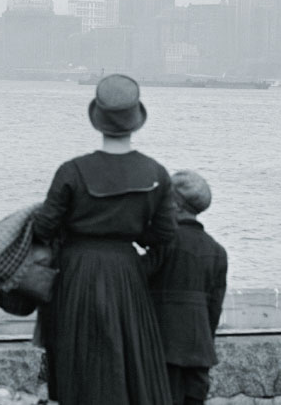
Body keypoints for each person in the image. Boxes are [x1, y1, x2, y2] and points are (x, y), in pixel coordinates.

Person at [32, 73, 177, 404]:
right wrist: (135, 241)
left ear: (97, 119)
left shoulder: (72, 170)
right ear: (135, 121)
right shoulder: (156, 173)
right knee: (129, 363)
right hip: (127, 273)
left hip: (76, 273)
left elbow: (44, 228)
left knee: (77, 362)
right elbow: (165, 234)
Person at [145, 171, 228, 405]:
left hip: (163, 350)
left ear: (175, 204)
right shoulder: (217, 251)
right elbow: (214, 309)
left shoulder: (165, 241)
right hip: (199, 353)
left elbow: (135, 278)